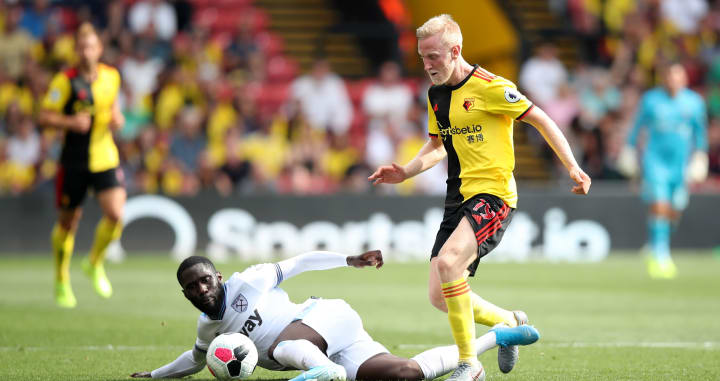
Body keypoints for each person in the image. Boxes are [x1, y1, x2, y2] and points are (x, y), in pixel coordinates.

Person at [368, 14, 591, 381]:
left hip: (495, 194)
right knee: (439, 296)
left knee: (449, 263)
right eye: (423, 57)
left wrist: (572, 167)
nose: (427, 65)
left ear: (455, 51)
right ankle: (509, 323)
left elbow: (542, 119)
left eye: (434, 56)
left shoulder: (491, 87)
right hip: (457, 197)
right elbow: (438, 145)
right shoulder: (436, 95)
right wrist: (406, 171)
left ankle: (470, 365)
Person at [129, 250, 539, 381]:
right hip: (323, 346)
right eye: (193, 288)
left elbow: (301, 261)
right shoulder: (209, 327)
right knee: (406, 375)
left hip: (324, 318)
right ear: (186, 295)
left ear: (217, 277)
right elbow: (195, 359)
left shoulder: (248, 281)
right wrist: (153, 375)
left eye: (205, 280)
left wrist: (350, 259)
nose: (202, 290)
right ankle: (499, 336)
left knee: (282, 345)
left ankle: (328, 374)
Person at [37, 22, 126, 308]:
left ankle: (94, 262)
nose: (87, 52)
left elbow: (112, 107)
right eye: (82, 47)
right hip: (73, 161)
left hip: (104, 156)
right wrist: (69, 122)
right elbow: (44, 116)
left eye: (92, 46)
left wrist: (117, 118)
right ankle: (61, 278)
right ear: (77, 50)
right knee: (68, 223)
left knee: (115, 214)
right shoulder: (65, 81)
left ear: (99, 49)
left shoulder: (112, 76)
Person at [617, 63, 708, 279]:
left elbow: (699, 131)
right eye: (669, 76)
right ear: (664, 79)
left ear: (684, 79)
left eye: (677, 76)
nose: (673, 81)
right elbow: (638, 125)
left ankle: (655, 243)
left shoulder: (693, 102)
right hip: (655, 160)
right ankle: (661, 254)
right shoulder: (651, 99)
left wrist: (700, 155)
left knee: (675, 207)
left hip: (680, 162)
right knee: (660, 203)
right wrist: (629, 149)